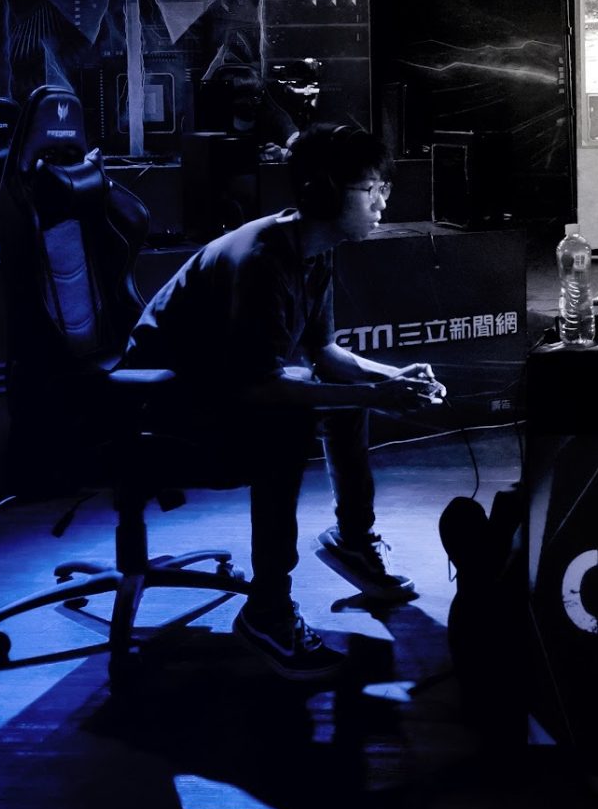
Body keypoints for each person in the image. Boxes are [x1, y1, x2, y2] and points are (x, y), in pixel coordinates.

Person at [122, 123, 446, 680]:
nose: (382, 202)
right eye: (371, 189)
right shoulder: (262, 262)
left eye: (383, 188)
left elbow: (325, 353)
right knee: (288, 423)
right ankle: (267, 608)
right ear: (323, 192)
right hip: (161, 409)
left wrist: (393, 378)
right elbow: (258, 387)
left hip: (214, 393)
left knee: (332, 396)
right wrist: (376, 394)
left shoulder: (314, 249)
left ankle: (353, 540)